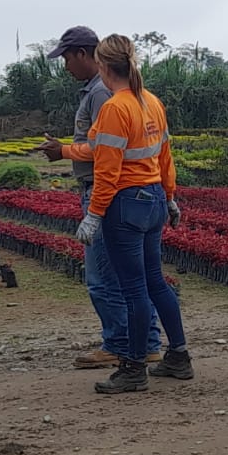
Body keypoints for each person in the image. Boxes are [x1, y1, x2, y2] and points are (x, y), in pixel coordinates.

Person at [38, 26, 162, 370]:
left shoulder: (103, 94)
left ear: (84, 54)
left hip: (108, 191)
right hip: (136, 192)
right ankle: (146, 342)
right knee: (133, 276)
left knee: (105, 276)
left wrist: (64, 152)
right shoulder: (109, 93)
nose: (65, 66)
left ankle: (120, 343)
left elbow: (105, 149)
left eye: (66, 58)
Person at [73, 34, 192, 394]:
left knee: (133, 289)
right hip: (153, 199)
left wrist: (94, 214)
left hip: (125, 204)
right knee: (155, 282)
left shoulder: (115, 108)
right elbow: (164, 156)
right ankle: (179, 356)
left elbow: (107, 171)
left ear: (103, 66)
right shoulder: (150, 102)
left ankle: (133, 368)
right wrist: (170, 197)